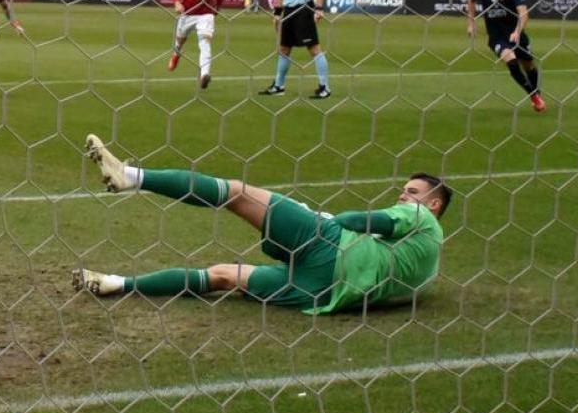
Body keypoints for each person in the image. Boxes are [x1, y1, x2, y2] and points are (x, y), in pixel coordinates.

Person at [78, 135, 450, 314]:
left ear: (433, 204)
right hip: (324, 295)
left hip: (328, 245)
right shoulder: (430, 269)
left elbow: (362, 220)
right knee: (224, 276)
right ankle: (116, 284)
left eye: (412, 192)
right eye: (403, 190)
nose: (403, 197)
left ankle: (130, 175)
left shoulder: (423, 219)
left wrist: (322, 220)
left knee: (235, 194)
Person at [466, 0, 547, 113]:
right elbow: (471, 0)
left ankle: (536, 93)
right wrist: (471, 22)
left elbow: (524, 13)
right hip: (497, 37)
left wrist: (517, 31)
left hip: (516, 35)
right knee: (510, 60)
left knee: (529, 65)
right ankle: (534, 96)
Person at [261, 0, 329, 99]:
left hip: (304, 9)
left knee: (314, 49)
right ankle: (279, 85)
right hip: (288, 12)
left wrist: (319, 8)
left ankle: (325, 87)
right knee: (284, 49)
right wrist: (277, 13)